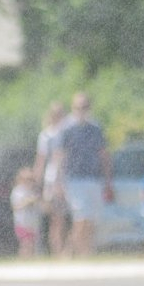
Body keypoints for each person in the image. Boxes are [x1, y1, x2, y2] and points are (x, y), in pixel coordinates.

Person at [55, 92, 112, 258]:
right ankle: (70, 251)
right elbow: (60, 156)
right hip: (74, 179)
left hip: (94, 178)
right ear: (73, 108)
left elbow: (104, 155)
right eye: (78, 107)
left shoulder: (96, 129)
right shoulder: (66, 129)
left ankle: (86, 251)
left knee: (91, 219)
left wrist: (108, 179)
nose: (82, 110)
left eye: (85, 107)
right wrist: (58, 181)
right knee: (81, 217)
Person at [34, 100, 68, 256]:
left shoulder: (68, 132)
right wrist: (37, 182)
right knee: (57, 217)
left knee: (70, 217)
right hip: (53, 179)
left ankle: (68, 249)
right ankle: (57, 250)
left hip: (69, 177)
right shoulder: (46, 135)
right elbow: (41, 160)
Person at [10, 166, 42, 259]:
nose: (29, 182)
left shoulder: (32, 191)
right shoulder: (18, 192)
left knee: (31, 245)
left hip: (32, 224)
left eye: (31, 180)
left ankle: (29, 260)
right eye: (27, 179)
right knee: (26, 244)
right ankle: (23, 260)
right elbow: (16, 206)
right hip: (22, 224)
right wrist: (28, 201)